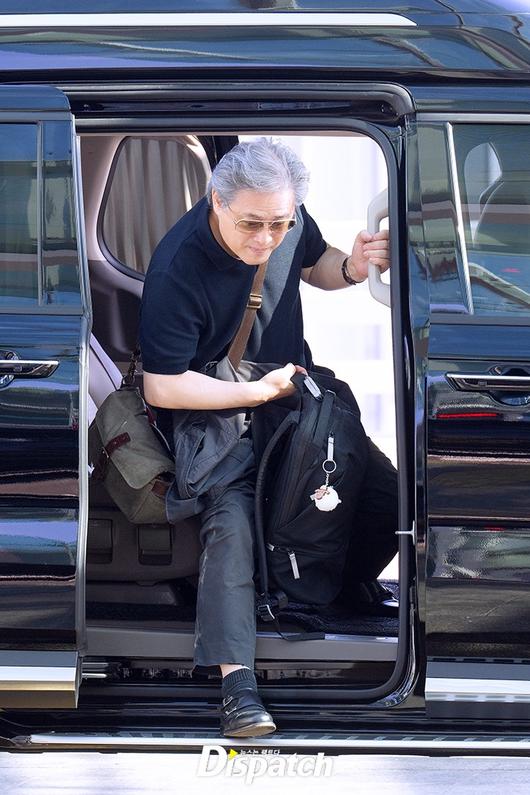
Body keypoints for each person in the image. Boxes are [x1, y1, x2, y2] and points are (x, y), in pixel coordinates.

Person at [139, 137, 397, 738]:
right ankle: (237, 686)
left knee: (386, 493)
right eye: (250, 224)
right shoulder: (178, 266)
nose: (265, 239)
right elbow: (163, 387)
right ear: (217, 201)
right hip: (210, 408)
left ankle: (321, 589)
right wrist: (256, 393)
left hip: (286, 392)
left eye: (278, 224)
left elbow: (317, 264)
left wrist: (354, 267)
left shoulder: (287, 219)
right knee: (232, 523)